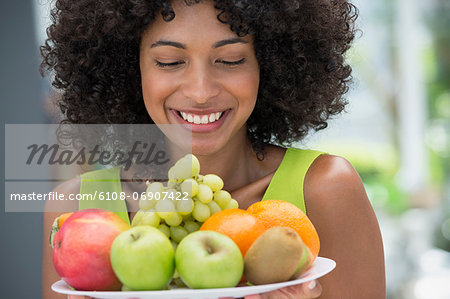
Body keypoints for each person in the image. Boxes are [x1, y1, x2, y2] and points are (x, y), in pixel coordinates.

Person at [41, 0, 386, 298]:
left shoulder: (326, 189)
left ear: (267, 64)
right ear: (132, 71)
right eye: (169, 61)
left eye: (232, 59)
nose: (201, 91)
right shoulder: (73, 207)